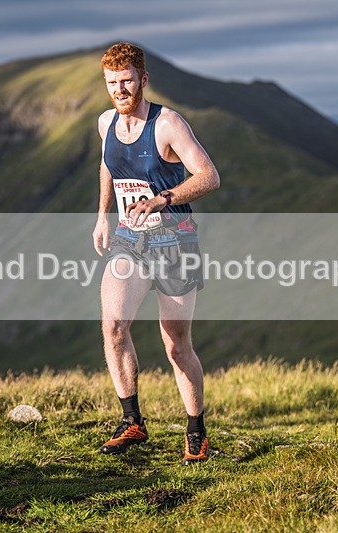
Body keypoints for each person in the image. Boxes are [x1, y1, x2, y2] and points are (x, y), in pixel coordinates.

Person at [92, 42, 220, 465]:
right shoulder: (106, 121)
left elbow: (208, 176)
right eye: (112, 82)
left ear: (143, 79)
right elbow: (109, 165)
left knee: (176, 345)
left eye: (127, 80)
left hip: (175, 239)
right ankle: (132, 421)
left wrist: (163, 199)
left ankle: (196, 431)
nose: (120, 89)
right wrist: (103, 217)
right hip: (130, 239)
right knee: (113, 325)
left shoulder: (168, 124)